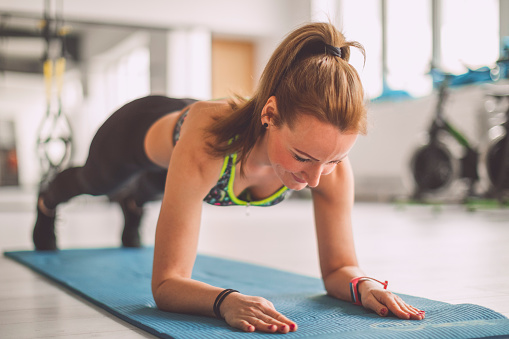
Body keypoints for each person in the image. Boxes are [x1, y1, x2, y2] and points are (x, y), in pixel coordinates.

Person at [33, 22, 425, 334]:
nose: (316, 179)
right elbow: (167, 284)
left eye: (335, 160)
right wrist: (226, 300)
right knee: (100, 183)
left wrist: (365, 286)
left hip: (175, 169)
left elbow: (340, 268)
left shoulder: (328, 167)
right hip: (133, 134)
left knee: (150, 190)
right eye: (302, 157)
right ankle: (48, 200)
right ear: (269, 114)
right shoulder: (208, 142)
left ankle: (135, 204)